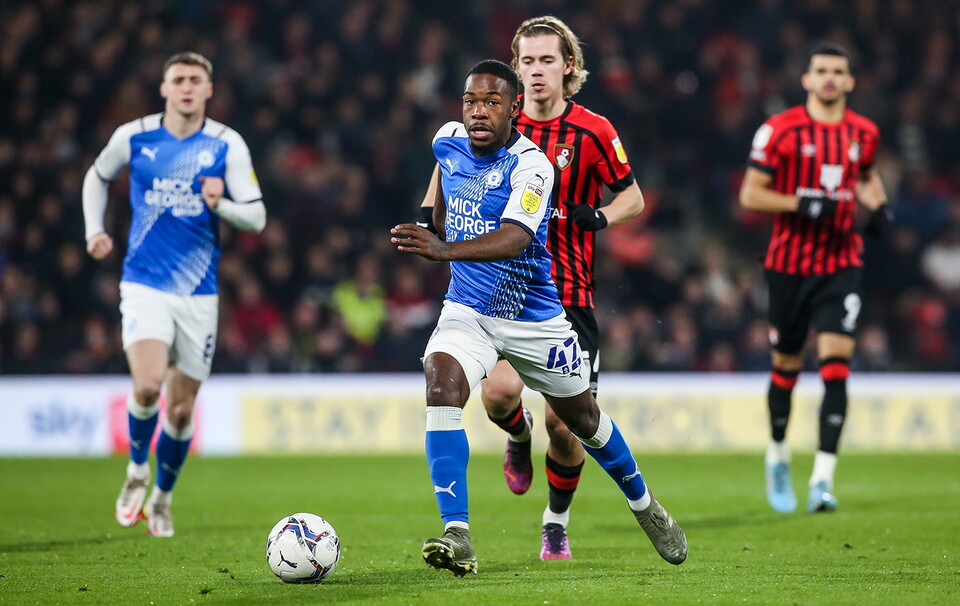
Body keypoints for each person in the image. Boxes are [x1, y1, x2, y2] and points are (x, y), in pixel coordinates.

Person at [392, 59, 685, 577]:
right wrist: (427, 222)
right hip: (469, 310)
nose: (478, 111)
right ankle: (457, 533)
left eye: (492, 102)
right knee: (440, 385)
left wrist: (443, 250)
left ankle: (646, 506)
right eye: (470, 101)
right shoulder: (448, 139)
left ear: (514, 110)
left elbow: (517, 238)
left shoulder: (532, 166)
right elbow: (441, 179)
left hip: (534, 317)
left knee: (583, 422)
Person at [83, 52, 266, 536]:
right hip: (144, 283)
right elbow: (97, 176)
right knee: (146, 386)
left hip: (199, 295)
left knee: (182, 411)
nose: (186, 88)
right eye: (178, 80)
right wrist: (92, 230)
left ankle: (162, 497)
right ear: (164, 88)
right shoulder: (134, 136)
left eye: (195, 80)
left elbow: (257, 216)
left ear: (209, 89)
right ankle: (136, 471)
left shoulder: (227, 144)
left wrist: (220, 202)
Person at [738, 42, 889, 514]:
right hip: (788, 267)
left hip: (842, 264)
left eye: (837, 71)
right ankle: (779, 454)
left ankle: (822, 479)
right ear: (806, 79)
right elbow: (751, 194)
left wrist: (879, 204)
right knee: (785, 368)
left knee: (836, 367)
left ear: (849, 82)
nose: (828, 78)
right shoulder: (779, 131)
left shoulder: (864, 132)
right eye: (820, 70)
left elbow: (864, 175)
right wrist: (802, 203)